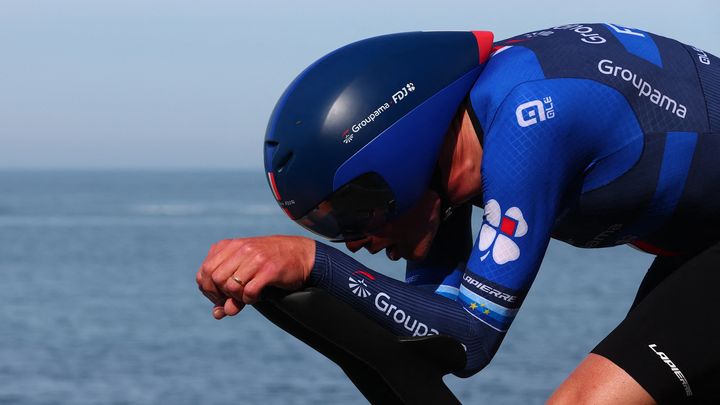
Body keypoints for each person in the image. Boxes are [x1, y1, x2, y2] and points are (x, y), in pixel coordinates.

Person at [196, 24, 720, 404]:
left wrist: (312, 262)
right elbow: (430, 338)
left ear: (400, 160)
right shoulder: (454, 158)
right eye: (327, 228)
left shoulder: (530, 122)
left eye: (350, 214)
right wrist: (287, 290)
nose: (352, 241)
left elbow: (470, 340)